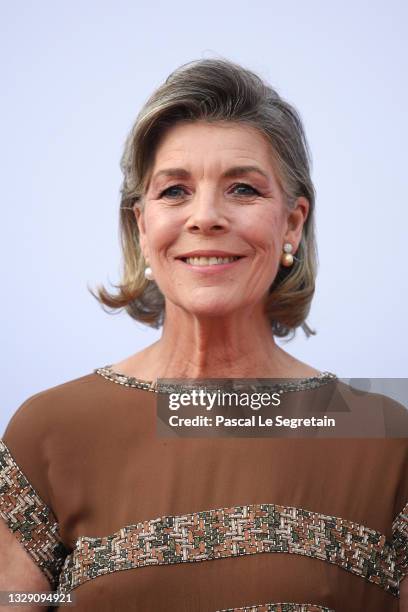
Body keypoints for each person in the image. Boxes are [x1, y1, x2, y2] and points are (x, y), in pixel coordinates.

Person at [0, 57, 407, 612]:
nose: (206, 216)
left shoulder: (385, 439)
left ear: (292, 222)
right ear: (141, 226)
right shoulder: (48, 433)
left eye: (242, 189)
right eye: (174, 191)